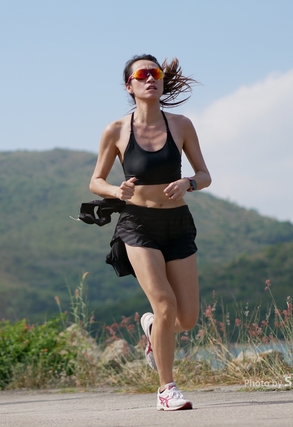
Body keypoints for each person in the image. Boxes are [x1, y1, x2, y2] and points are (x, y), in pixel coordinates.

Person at [89, 54, 211, 411]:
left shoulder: (181, 125)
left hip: (178, 224)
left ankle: (152, 328)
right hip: (138, 225)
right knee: (165, 304)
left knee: (185, 319)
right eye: (142, 75)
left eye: (155, 73)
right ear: (129, 85)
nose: (150, 79)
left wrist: (188, 182)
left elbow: (205, 175)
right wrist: (118, 191)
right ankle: (166, 389)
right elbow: (96, 181)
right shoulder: (116, 131)